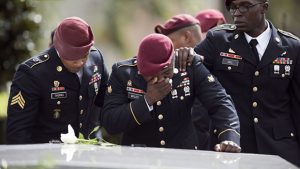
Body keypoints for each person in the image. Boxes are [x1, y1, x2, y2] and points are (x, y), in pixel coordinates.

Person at [178, 0, 300, 165]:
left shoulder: (292, 47)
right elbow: (190, 70)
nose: (236, 12)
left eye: (245, 6)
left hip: (279, 151)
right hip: (232, 149)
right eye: (233, 7)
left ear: (264, 7)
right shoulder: (218, 40)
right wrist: (185, 56)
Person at [101, 33, 241, 152]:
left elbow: (220, 102)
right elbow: (110, 122)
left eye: (165, 72)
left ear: (172, 60)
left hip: (182, 156)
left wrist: (229, 137)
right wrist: (147, 100)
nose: (159, 79)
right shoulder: (123, 73)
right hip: (139, 156)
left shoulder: (189, 67)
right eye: (150, 75)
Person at [6, 16, 109, 144]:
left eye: (85, 56)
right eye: (74, 59)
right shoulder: (32, 73)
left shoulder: (96, 58)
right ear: (59, 49)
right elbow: (17, 132)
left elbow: (107, 102)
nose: (80, 63)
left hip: (91, 153)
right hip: (49, 156)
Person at [154, 14, 210, 150]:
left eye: (169, 41)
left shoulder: (208, 64)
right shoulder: (170, 67)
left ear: (186, 37)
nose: (165, 48)